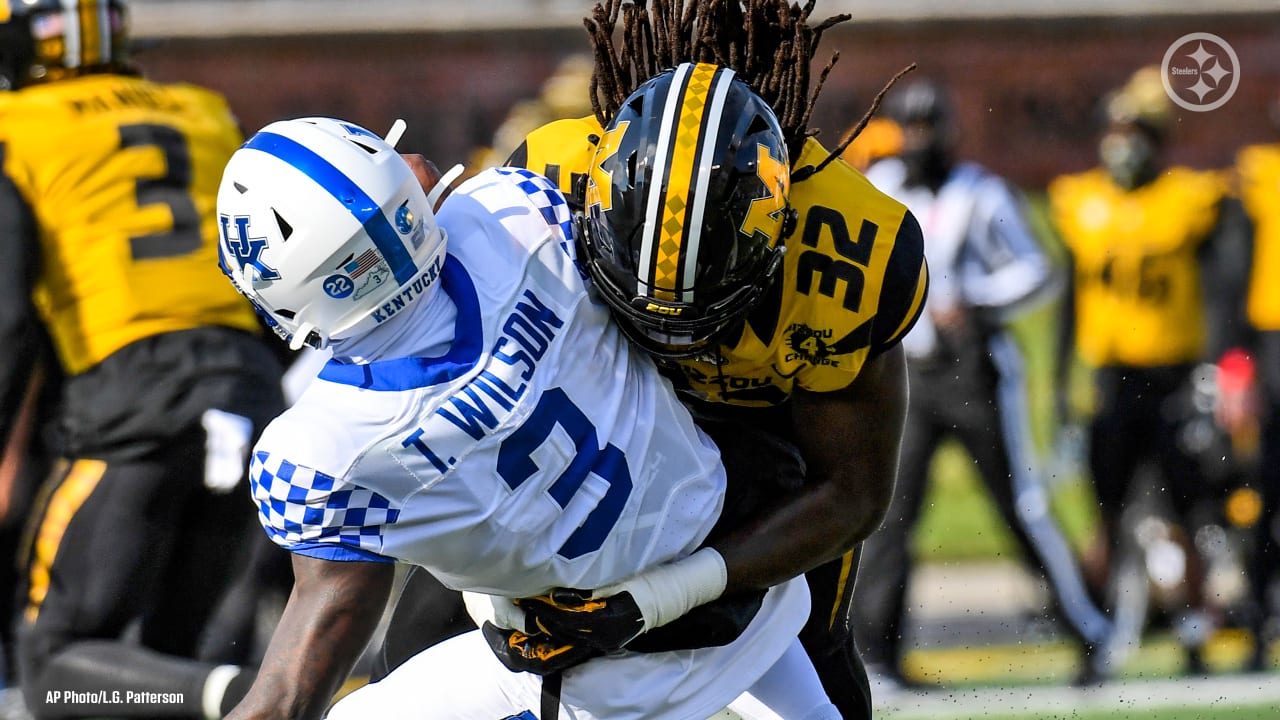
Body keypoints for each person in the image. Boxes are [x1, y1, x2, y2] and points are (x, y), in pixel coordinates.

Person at [216, 114, 837, 720]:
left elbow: (290, 690)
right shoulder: (518, 216)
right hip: (751, 588)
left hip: (606, 677)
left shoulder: (324, 453)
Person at [0, 1, 285, 717]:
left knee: (54, 665)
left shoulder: (18, 129)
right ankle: (237, 691)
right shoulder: (205, 111)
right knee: (166, 665)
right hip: (249, 390)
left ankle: (258, 696)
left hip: (132, 396)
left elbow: (6, 313)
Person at [852, 78, 1113, 688]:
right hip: (909, 376)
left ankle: (1089, 633)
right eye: (909, 128)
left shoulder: (983, 192)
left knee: (1021, 505)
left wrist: (975, 298)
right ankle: (876, 655)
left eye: (928, 128)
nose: (919, 141)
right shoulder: (881, 189)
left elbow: (1037, 270)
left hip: (979, 375)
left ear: (949, 132)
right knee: (891, 513)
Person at [1048, 66, 1248, 674]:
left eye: (1136, 129)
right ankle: (1095, 636)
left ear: (1158, 138)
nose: (1123, 141)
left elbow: (1224, 288)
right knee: (1104, 512)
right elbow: (1070, 301)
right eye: (1115, 129)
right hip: (1111, 380)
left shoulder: (1189, 199)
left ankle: (1192, 634)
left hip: (1175, 376)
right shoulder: (1081, 201)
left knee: (1188, 508)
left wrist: (1221, 366)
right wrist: (1060, 382)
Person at [1231, 95, 1280, 670]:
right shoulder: (1259, 174)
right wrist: (1236, 357)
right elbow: (1232, 269)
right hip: (1273, 345)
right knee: (1264, 491)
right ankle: (1259, 625)